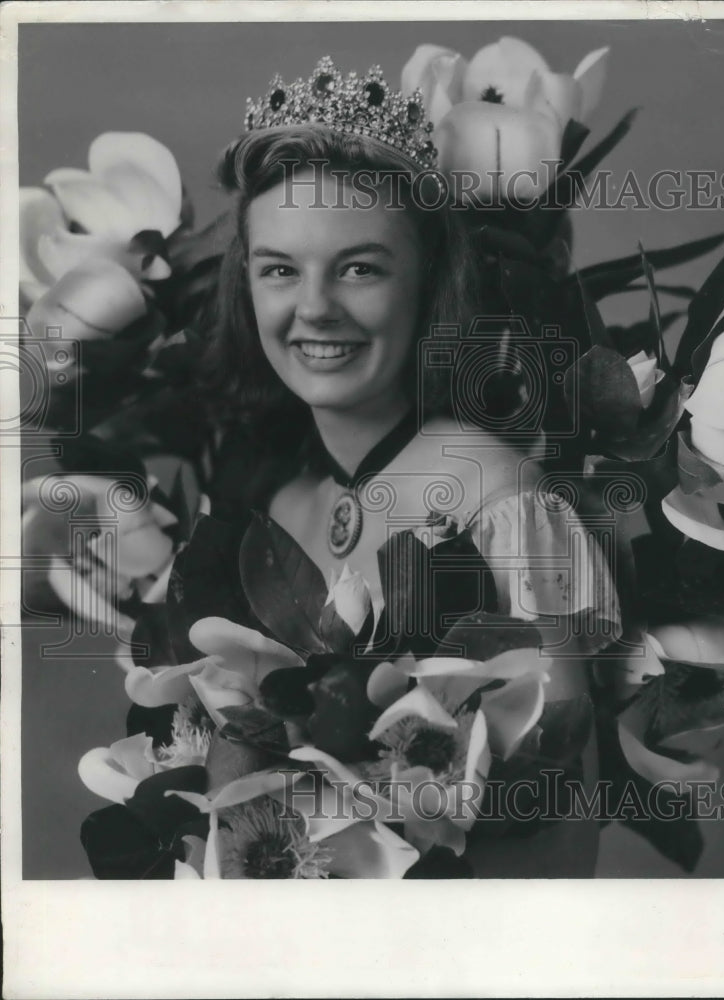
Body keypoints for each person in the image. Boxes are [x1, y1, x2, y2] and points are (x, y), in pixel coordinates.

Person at [190, 57, 621, 876]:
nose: (313, 307)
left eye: (359, 267)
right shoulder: (278, 498)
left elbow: (561, 823)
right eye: (279, 268)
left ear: (429, 284)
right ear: (244, 286)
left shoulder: (499, 497)